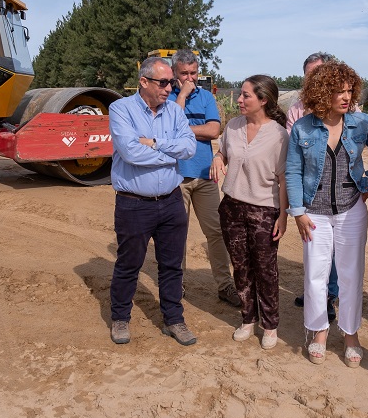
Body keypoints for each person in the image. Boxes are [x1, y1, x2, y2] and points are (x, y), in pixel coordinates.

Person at [286, 61, 368, 367]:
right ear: (321, 93)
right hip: (313, 213)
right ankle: (318, 332)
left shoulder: (362, 123)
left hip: (351, 210)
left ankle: (351, 335)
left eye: (349, 91)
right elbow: (293, 170)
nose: (346, 97)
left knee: (350, 275)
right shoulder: (303, 127)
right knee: (315, 276)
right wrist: (298, 212)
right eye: (338, 91)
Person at [108, 57, 197, 347]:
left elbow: (190, 148)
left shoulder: (174, 110)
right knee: (128, 264)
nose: (170, 87)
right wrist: (171, 153)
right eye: (164, 82)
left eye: (172, 82)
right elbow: (132, 153)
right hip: (134, 204)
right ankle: (120, 318)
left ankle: (174, 320)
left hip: (171, 201)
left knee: (171, 266)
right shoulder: (120, 109)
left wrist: (156, 143)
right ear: (143, 82)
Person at [210, 75, 289, 350]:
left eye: (245, 96)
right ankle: (248, 319)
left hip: (264, 211)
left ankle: (270, 325)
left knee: (265, 270)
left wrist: (283, 215)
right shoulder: (232, 126)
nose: (239, 100)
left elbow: (283, 179)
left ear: (263, 100)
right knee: (241, 267)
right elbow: (223, 153)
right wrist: (218, 159)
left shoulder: (279, 135)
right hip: (231, 206)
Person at [169, 49, 240, 307]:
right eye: (184, 74)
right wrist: (183, 97)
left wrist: (183, 131)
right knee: (177, 234)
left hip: (204, 175)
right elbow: (168, 127)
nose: (190, 79)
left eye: (193, 73)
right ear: (174, 74)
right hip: (176, 177)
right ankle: (176, 285)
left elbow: (213, 130)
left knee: (217, 232)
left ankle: (224, 285)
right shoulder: (168, 96)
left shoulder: (207, 96)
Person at [286, 51, 339, 322]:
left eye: (318, 74)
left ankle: (330, 295)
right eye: (309, 76)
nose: (313, 80)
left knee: (332, 248)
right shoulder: (296, 108)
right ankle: (316, 292)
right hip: (307, 188)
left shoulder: (346, 106)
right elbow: (291, 147)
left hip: (336, 192)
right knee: (313, 244)